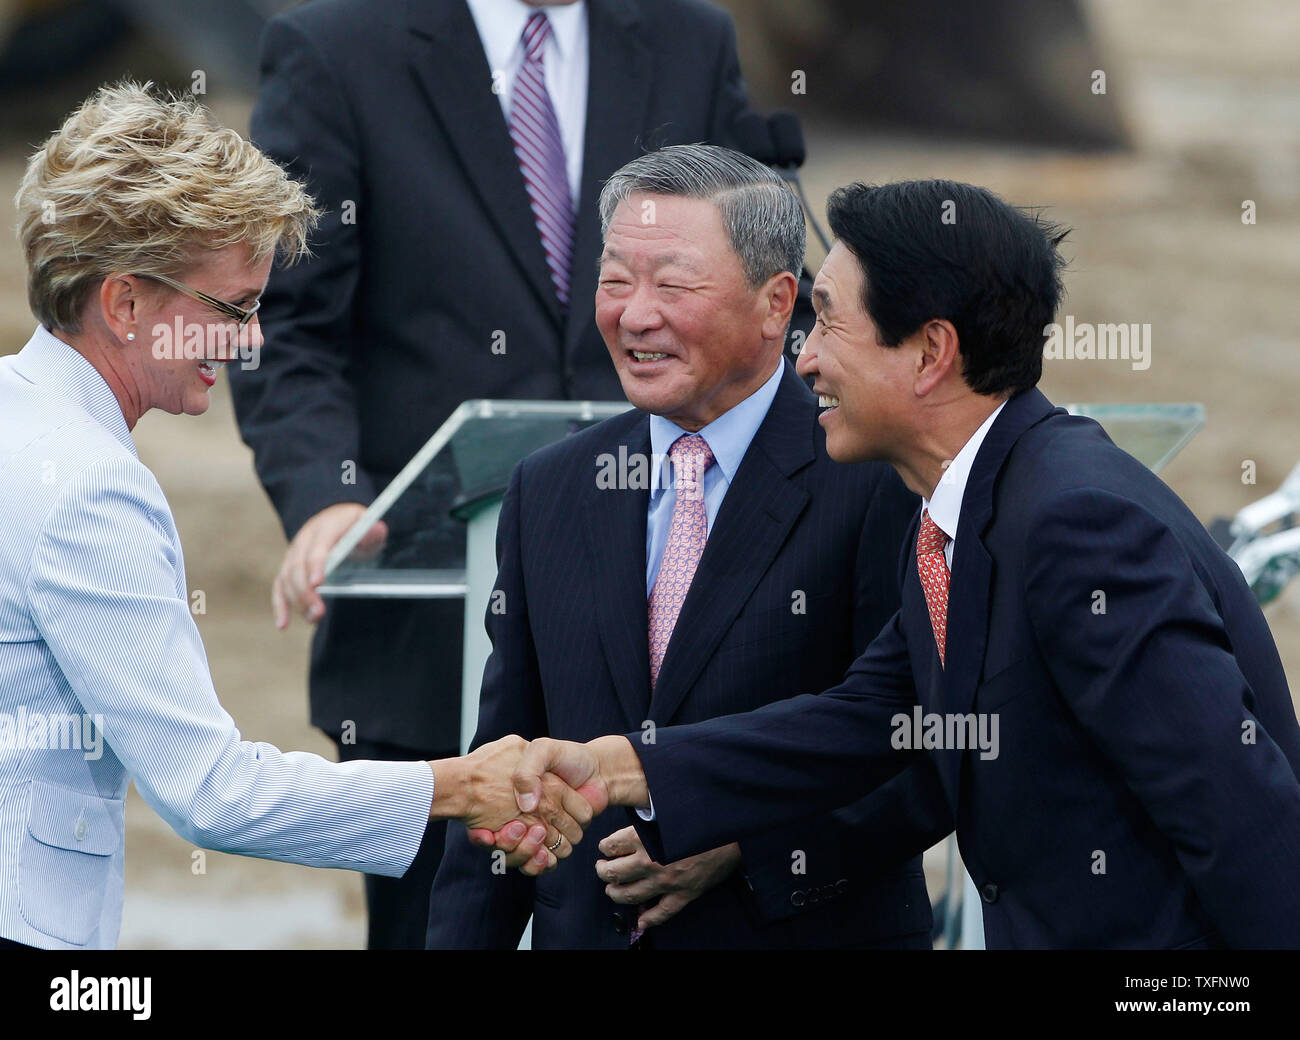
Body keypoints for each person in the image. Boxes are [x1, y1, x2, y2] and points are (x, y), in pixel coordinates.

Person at [506, 179, 1300, 948]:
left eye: (827, 325)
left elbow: (1243, 817)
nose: (806, 360)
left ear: (930, 353)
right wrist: (618, 766)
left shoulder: (1074, 522)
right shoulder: (967, 509)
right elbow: (862, 719)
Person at [0, 83, 589, 951]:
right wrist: (459, 785)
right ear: (124, 304)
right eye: (232, 308)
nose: (250, 343)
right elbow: (209, 791)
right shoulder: (90, 488)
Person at [229, 0, 764, 948]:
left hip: (685, 616)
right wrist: (328, 494)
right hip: (426, 621)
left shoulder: (691, 37)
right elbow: (283, 319)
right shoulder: (332, 45)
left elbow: (771, 285)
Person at [426, 145, 945, 949]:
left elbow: (922, 749)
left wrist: (740, 848)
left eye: (672, 284)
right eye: (614, 281)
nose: (635, 314)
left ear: (778, 303)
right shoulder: (551, 490)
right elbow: (506, 766)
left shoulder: (876, 479)